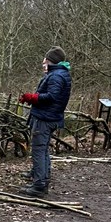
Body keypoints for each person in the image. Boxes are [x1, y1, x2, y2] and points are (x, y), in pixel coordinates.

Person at [18, 46, 72, 197]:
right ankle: (41, 179)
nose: (43, 63)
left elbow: (51, 97)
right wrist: (31, 98)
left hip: (45, 118)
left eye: (45, 60)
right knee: (42, 150)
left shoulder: (56, 76)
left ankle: (39, 185)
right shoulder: (57, 74)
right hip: (48, 116)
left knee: (39, 150)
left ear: (51, 61)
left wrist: (33, 97)